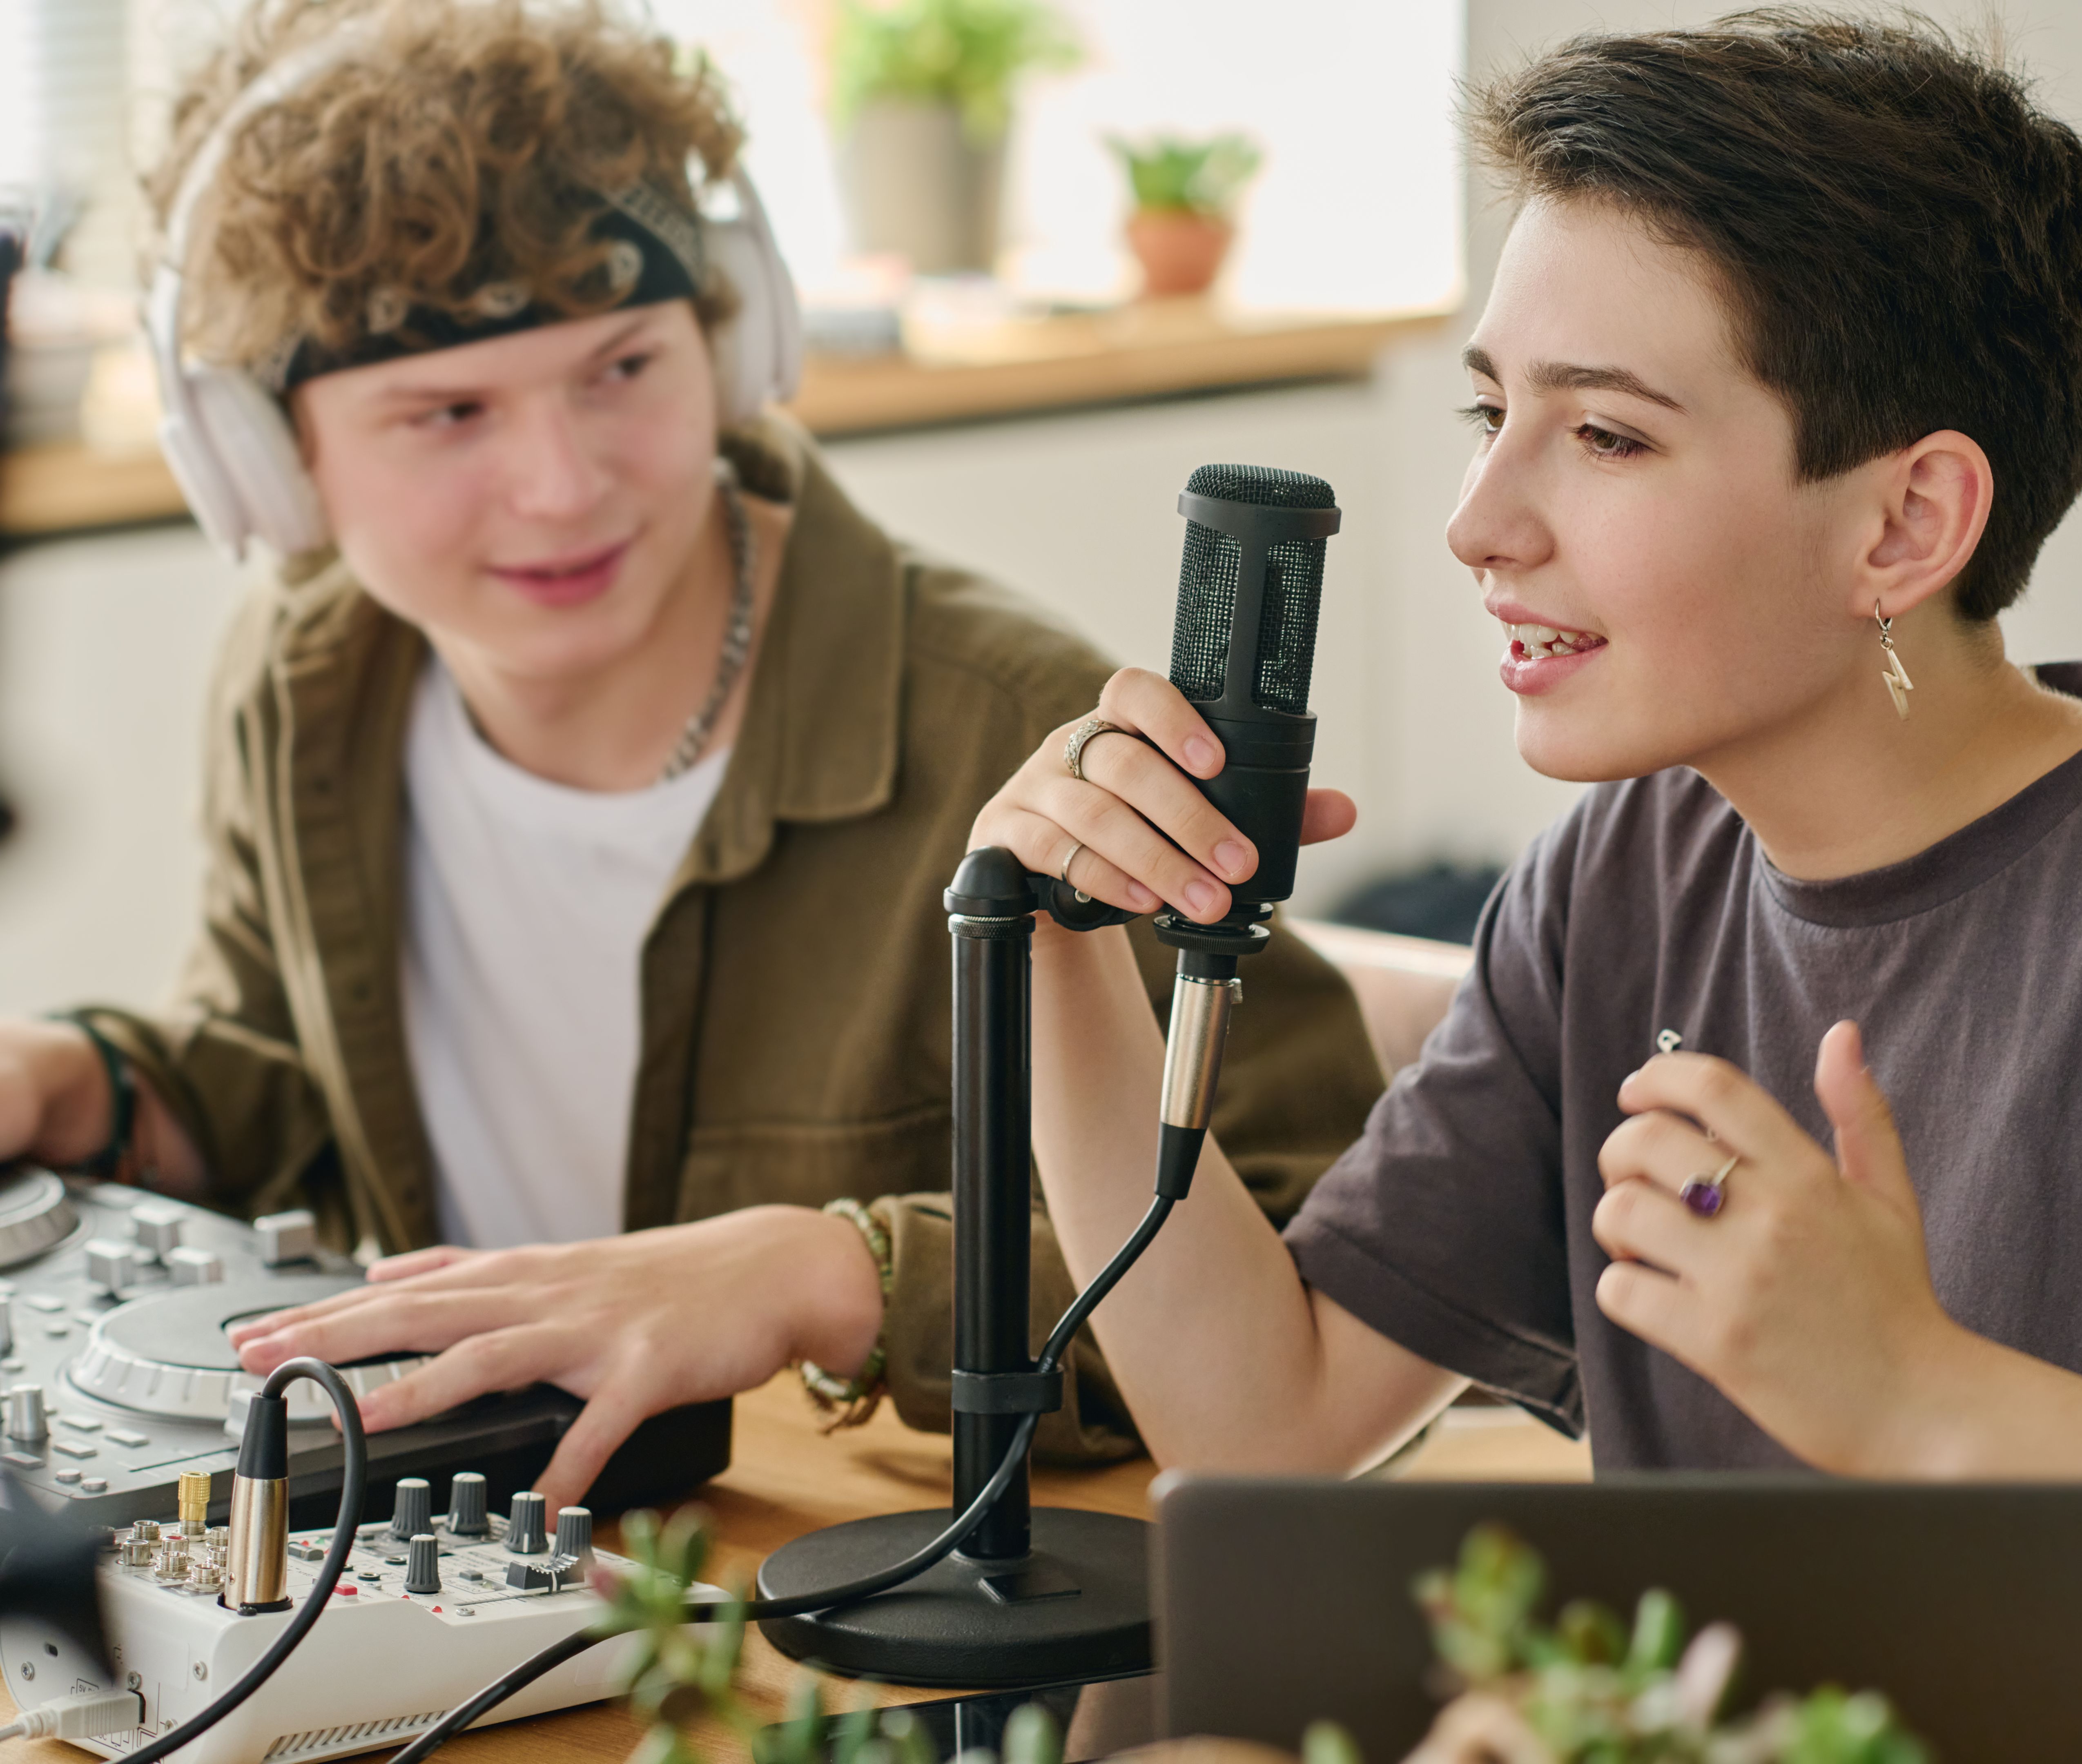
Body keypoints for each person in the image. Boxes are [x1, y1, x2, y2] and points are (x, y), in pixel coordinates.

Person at [243, 7, 2082, 1485]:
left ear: (1910, 514)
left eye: (1602, 438)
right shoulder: (1623, 879)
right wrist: (1067, 966)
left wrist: (1929, 1402)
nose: (1481, 522)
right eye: (1498, 415)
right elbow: (1264, 1415)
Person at [0, 0, 1383, 1508]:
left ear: (730, 341)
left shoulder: (1016, 732)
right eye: (448, 412)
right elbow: (297, 1089)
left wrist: (835, 1275)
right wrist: (83, 1084)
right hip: (500, 1570)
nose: (561, 484)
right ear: (264, 458)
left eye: (621, 371)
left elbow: (1311, 1278)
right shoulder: (312, 681)